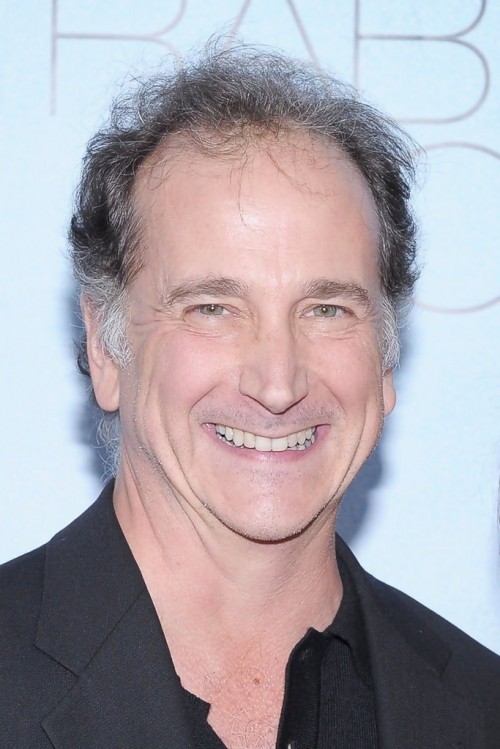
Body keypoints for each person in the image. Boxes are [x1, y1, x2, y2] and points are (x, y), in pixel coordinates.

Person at [1, 42, 499, 749]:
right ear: (105, 348)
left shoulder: (481, 710)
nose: (278, 382)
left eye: (327, 309)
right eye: (213, 308)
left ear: (386, 359)